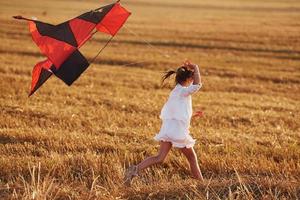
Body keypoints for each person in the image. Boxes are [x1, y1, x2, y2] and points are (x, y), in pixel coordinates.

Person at [124, 61, 204, 185]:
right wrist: (196, 68)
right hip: (177, 132)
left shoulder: (176, 91)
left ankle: (134, 170)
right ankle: (201, 184)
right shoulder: (183, 91)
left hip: (169, 130)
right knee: (192, 158)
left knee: (159, 158)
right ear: (188, 79)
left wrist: (192, 114)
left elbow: (174, 112)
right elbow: (197, 86)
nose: (193, 80)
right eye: (192, 78)